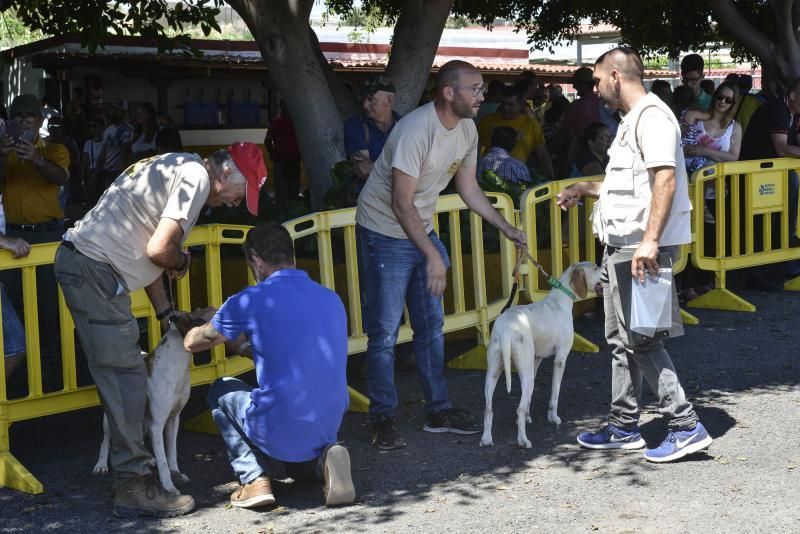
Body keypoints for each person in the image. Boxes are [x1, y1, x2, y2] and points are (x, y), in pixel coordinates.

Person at [54, 142, 267, 517]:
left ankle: (133, 474)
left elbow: (149, 246)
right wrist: (182, 258)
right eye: (241, 192)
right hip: (94, 270)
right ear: (226, 174)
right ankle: (133, 486)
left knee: (128, 377)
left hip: (91, 267)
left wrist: (166, 312)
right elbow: (159, 251)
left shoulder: (178, 166)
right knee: (126, 379)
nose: (236, 202)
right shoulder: (196, 178)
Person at [355, 60, 527, 450]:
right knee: (383, 333)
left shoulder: (467, 129)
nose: (482, 96)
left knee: (431, 326)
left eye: (482, 89)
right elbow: (400, 204)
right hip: (383, 230)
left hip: (420, 229)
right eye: (475, 89)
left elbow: (468, 189)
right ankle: (383, 416)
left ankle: (439, 410)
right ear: (449, 92)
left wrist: (506, 227)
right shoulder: (416, 130)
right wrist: (432, 253)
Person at [556, 47, 713, 463]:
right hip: (623, 246)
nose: (593, 88)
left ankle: (685, 425)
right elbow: (632, 184)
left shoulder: (653, 117)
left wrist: (650, 242)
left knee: (642, 339)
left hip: (640, 247)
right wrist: (584, 189)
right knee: (621, 340)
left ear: (614, 76)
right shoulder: (633, 121)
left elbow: (665, 177)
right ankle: (625, 426)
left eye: (595, 80)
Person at [184, 222, 355, 509]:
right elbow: (287, 352)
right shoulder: (330, 298)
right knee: (297, 458)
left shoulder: (249, 299)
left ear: (256, 260)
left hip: (281, 419)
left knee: (221, 389)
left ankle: (254, 479)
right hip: (327, 420)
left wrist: (200, 320)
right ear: (292, 256)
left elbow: (195, 343)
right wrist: (241, 346)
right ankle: (324, 460)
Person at [0, 94, 70, 390]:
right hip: (15, 237)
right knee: (16, 305)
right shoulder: (4, 151)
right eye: (18, 117)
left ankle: (55, 369)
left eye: (29, 116)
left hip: (47, 236)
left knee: (49, 305)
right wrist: (3, 156)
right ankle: (22, 369)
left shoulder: (56, 149)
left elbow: (61, 178)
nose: (23, 121)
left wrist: (37, 159)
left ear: (40, 121)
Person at [477, 86, 555, 180]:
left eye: (510, 104)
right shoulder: (487, 120)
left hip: (517, 177)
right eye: (503, 103)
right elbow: (474, 147)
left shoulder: (531, 125)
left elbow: (542, 154)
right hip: (486, 176)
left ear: (520, 105)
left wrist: (551, 177)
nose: (505, 108)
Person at [344, 75, 400, 188]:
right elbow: (364, 170)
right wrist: (402, 171)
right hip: (369, 199)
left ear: (389, 100)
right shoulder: (355, 126)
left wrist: (374, 166)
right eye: (363, 98)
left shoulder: (405, 126)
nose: (365, 105)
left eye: (371, 99)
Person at [91, 101, 133, 204]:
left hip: (119, 172)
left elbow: (125, 152)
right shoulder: (108, 129)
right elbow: (103, 152)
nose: (113, 112)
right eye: (112, 109)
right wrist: (96, 173)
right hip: (107, 172)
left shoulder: (128, 129)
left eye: (117, 109)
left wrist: (123, 175)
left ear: (123, 111)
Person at [264, 99, 302, 201]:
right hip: (281, 161)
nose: (288, 108)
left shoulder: (297, 122)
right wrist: (273, 154)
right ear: (281, 107)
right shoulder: (276, 122)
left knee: (294, 189)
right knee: (281, 191)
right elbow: (267, 141)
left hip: (295, 160)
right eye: (285, 106)